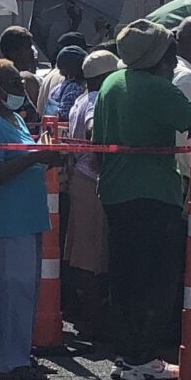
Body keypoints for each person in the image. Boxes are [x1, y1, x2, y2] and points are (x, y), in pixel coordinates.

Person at [93, 20, 191, 380]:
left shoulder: (111, 83)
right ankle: (143, 357)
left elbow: (97, 138)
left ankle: (127, 354)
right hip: (153, 193)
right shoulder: (160, 88)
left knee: (125, 276)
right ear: (161, 55)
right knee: (155, 279)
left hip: (115, 191)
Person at [0, 58, 65, 380]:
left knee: (27, 288)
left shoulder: (16, 120)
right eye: (12, 84)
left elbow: (26, 158)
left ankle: (21, 355)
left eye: (19, 83)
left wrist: (46, 157)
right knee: (15, 288)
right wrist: (35, 157)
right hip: (8, 218)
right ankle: (11, 362)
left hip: (27, 216)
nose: (19, 89)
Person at [61, 49, 118, 341]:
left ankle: (88, 317)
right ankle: (95, 322)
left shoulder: (81, 98)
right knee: (94, 257)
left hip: (80, 181)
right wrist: (105, 155)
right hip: (94, 180)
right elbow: (95, 130)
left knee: (84, 253)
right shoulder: (96, 100)